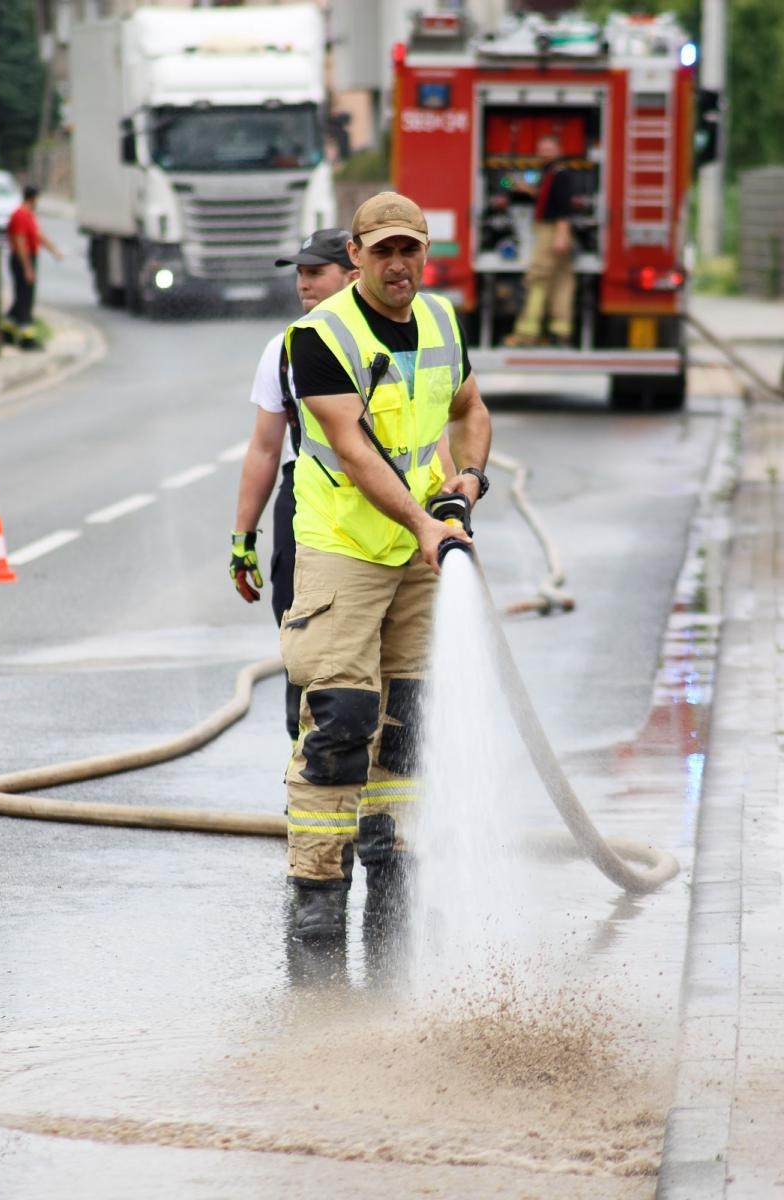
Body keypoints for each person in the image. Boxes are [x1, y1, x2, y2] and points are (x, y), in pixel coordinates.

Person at [281, 191, 492, 940]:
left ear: (425, 253)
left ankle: (391, 868)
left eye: (411, 250)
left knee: (405, 722)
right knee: (341, 721)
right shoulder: (318, 336)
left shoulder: (439, 320)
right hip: (344, 549)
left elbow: (469, 409)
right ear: (357, 258)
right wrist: (426, 526)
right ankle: (316, 893)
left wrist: (466, 481)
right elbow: (353, 448)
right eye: (383, 252)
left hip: (414, 548)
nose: (398, 265)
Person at [230, 229, 359, 742]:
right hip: (304, 499)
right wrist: (243, 540)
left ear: (352, 276)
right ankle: (309, 773)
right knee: (302, 638)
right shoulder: (283, 348)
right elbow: (264, 448)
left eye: (315, 272)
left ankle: (377, 797)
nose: (303, 283)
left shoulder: (385, 340)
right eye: (299, 273)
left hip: (379, 504)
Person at [503, 134, 576, 348]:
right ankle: (560, 332)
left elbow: (563, 208)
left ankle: (526, 333)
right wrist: (526, 189)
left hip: (553, 230)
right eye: (541, 148)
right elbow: (548, 199)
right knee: (562, 280)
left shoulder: (560, 175)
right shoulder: (551, 173)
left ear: (559, 151)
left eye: (549, 148)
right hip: (555, 230)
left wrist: (561, 235)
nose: (544, 152)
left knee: (537, 278)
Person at [2, 185, 63, 348]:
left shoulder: (29, 215)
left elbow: (38, 235)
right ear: (33, 198)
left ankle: (7, 330)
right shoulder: (21, 215)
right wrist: (27, 268)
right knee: (25, 299)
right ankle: (26, 338)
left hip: (26, 259)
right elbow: (21, 243)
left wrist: (54, 250)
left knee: (21, 297)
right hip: (22, 259)